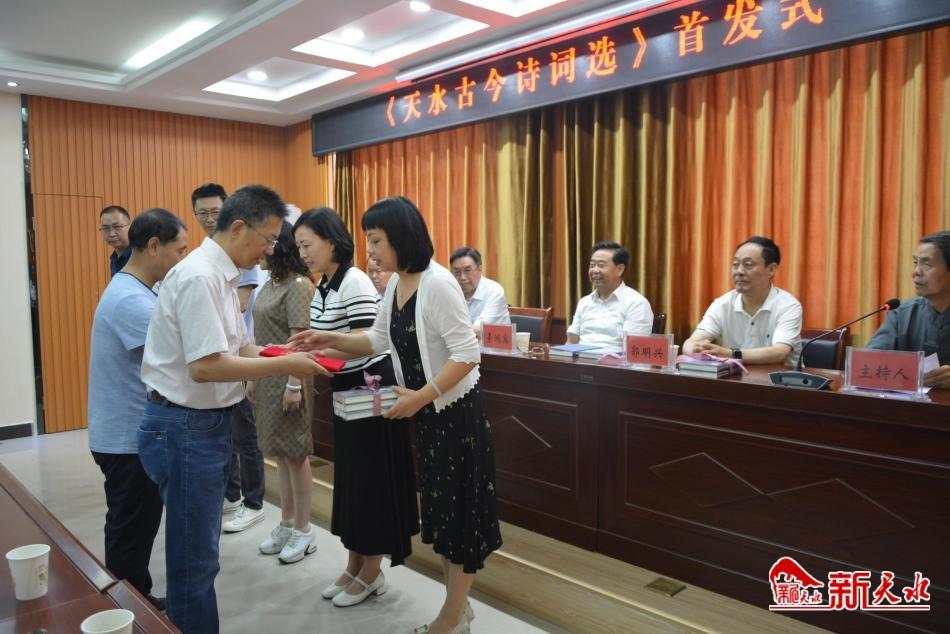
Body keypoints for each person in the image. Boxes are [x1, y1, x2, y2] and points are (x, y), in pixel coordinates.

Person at [291, 196, 501, 634]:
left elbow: (468, 355)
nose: (370, 251)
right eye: (368, 241)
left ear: (402, 237)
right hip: (429, 413)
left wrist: (421, 397)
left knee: (460, 517)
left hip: (456, 416)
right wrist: (326, 339)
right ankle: (458, 609)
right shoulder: (397, 284)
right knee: (442, 516)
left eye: (376, 240)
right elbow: (376, 340)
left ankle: (451, 618)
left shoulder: (437, 284)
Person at [138, 185, 328, 633]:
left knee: (199, 553)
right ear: (239, 227)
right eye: (268, 238)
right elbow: (205, 367)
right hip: (185, 426)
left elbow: (238, 346)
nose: (271, 250)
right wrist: (285, 367)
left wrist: (282, 355)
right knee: (195, 559)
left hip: (199, 425)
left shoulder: (222, 275)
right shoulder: (200, 277)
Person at [293, 207, 418, 606]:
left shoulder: (355, 281)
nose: (303, 254)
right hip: (345, 388)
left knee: (371, 483)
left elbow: (368, 340)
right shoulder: (324, 284)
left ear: (331, 242)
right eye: (299, 247)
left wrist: (317, 352)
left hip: (370, 388)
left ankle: (371, 571)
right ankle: (353, 564)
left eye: (307, 245)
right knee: (350, 482)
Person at [87, 209, 188, 612]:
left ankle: (135, 596)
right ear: (153, 246)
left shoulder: (137, 289)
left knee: (134, 525)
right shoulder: (131, 299)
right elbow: (180, 360)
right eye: (179, 250)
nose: (181, 259)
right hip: (126, 438)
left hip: (125, 432)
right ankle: (125, 610)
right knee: (131, 528)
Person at [192, 182, 267, 531]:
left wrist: (275, 361)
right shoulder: (204, 269)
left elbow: (239, 310)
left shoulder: (239, 259)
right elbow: (204, 366)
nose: (209, 218)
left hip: (239, 358)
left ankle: (253, 501)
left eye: (214, 211)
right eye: (202, 213)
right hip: (224, 362)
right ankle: (234, 497)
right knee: (229, 438)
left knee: (245, 437)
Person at [246, 221, 316, 563]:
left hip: (290, 378)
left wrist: (293, 384)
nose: (260, 250)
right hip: (267, 376)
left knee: (296, 454)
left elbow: (299, 341)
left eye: (267, 242)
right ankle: (287, 523)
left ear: (280, 245)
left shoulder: (299, 285)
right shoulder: (270, 283)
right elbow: (260, 336)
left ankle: (303, 528)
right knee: (279, 454)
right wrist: (252, 376)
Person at [684, 236, 802, 366]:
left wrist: (729, 354)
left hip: (780, 378)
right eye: (735, 264)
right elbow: (690, 343)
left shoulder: (788, 306)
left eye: (748, 265)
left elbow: (780, 353)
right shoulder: (722, 304)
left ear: (771, 270)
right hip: (737, 377)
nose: (739, 271)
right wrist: (696, 349)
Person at [868, 230, 950, 388]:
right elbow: (870, 363)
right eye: (915, 263)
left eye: (927, 264)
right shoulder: (902, 314)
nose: (915, 272)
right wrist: (913, 376)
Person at [566, 241, 653, 347]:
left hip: (614, 358)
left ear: (620, 269)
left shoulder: (637, 304)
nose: (595, 270)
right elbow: (571, 342)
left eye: (601, 265)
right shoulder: (584, 302)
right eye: (592, 265)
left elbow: (634, 349)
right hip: (580, 357)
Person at [449, 247, 510, 335]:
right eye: (457, 272)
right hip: (461, 342)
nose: (462, 277)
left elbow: (478, 329)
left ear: (479, 268)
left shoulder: (494, 291)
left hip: (490, 343)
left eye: (467, 270)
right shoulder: (451, 291)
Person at [100, 205, 132, 277]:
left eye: (117, 227)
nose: (112, 234)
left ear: (130, 227)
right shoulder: (114, 258)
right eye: (106, 228)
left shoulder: (140, 256)